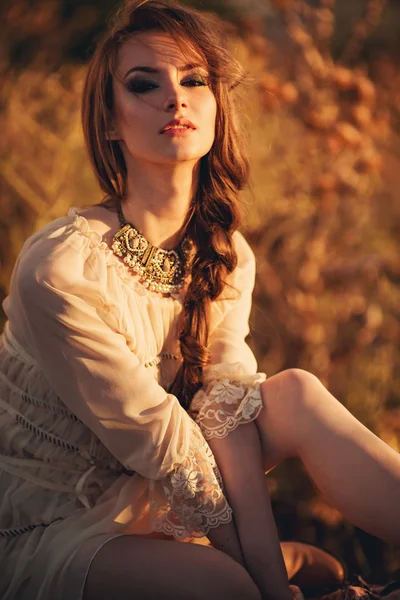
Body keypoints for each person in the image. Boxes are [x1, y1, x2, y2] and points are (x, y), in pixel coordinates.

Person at [0, 1, 399, 599]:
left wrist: (258, 563)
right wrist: (267, 585)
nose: (176, 98)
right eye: (144, 84)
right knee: (227, 589)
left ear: (216, 109)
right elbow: (165, 442)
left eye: (194, 81)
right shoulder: (58, 268)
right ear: (110, 122)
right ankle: (262, 569)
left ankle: (259, 563)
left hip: (165, 488)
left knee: (293, 394)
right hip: (59, 524)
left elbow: (223, 408)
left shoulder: (225, 253)